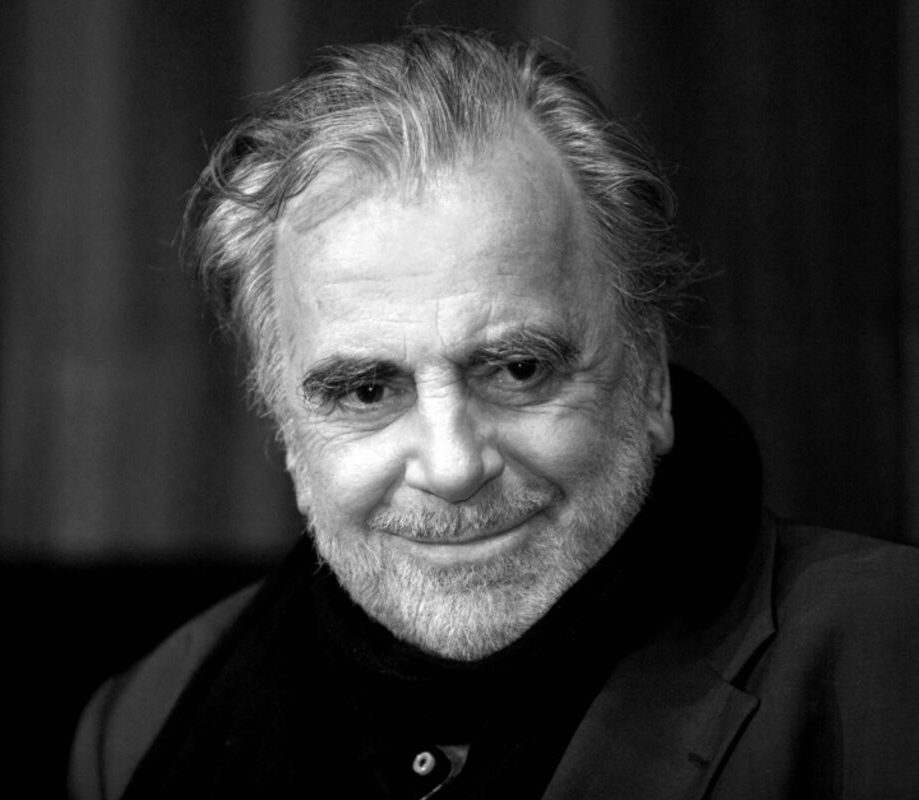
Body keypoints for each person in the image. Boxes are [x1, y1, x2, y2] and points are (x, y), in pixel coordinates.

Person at [69, 28, 919, 799]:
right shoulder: (144, 726)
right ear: (288, 433)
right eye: (367, 391)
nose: (452, 467)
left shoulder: (891, 663)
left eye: (518, 369)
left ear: (650, 378)